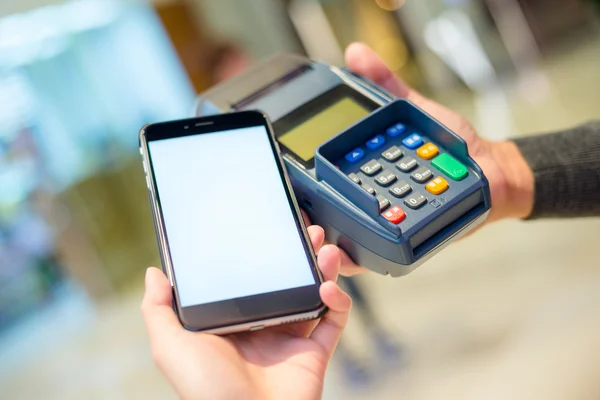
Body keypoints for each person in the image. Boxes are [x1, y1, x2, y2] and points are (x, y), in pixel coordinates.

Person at [141, 42, 600, 399]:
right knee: (324, 275)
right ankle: (361, 352)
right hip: (322, 224)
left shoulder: (300, 83)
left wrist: (500, 174)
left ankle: (375, 337)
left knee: (330, 276)